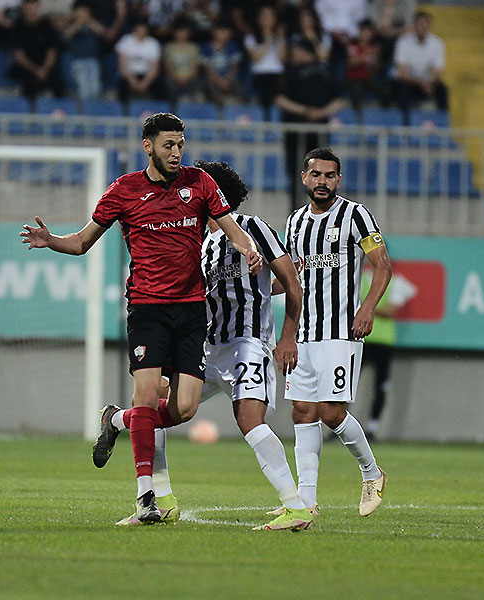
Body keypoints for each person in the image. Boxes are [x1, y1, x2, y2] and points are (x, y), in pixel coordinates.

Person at [20, 113, 263, 524]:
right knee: (147, 397)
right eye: (168, 145)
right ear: (148, 146)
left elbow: (231, 228)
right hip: (147, 309)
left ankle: (116, 420)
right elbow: (81, 242)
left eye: (180, 144)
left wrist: (248, 248)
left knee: (184, 409)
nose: (176, 152)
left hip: (192, 309)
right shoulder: (124, 190)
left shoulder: (200, 183)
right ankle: (145, 496)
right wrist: (51, 241)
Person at [92, 160, 314, 531]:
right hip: (209, 347)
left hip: (247, 342)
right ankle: (160, 496)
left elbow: (290, 282)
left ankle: (295, 507)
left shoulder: (252, 228)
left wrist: (287, 335)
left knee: (249, 420)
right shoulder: (199, 243)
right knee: (156, 402)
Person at [282, 147, 392, 517]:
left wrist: (367, 307)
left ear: (338, 179)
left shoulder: (355, 215)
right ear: (304, 177)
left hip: (340, 332)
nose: (322, 182)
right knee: (302, 412)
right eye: (316, 175)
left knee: (330, 413)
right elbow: (292, 278)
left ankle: (372, 473)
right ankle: (306, 501)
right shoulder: (295, 222)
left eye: (329, 176)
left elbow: (382, 266)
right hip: (305, 333)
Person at [275, 39, 345, 214]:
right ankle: (299, 212)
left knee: (319, 175)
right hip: (296, 132)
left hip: (315, 133)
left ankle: (320, 212)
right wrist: (309, 112)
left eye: (298, 51)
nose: (295, 55)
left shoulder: (324, 74)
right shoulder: (291, 73)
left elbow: (339, 100)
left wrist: (317, 113)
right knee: (298, 174)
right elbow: (280, 99)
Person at [360, 265, 416, 440]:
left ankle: (372, 427)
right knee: (347, 385)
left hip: (383, 342)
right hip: (360, 339)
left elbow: (391, 310)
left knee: (381, 386)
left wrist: (365, 307)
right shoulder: (359, 278)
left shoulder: (395, 282)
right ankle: (338, 424)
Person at [391, 11, 448, 116]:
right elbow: (402, 73)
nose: (423, 27)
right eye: (420, 24)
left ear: (429, 26)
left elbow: (438, 73)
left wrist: (431, 84)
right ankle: (404, 122)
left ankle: (441, 122)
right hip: (408, 82)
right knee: (402, 90)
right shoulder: (403, 42)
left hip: (426, 82)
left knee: (442, 89)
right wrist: (421, 84)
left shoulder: (437, 43)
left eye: (425, 24)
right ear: (414, 25)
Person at [8, 0, 66, 101]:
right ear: (24, 8)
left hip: (46, 66)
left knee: (58, 84)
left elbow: (52, 51)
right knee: (29, 84)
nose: (31, 10)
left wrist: (45, 69)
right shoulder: (18, 26)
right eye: (28, 7)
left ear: (38, 8)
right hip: (27, 67)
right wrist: (36, 70)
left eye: (34, 7)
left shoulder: (46, 25)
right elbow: (19, 55)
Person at [114, 17, 164, 104]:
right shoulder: (126, 40)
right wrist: (132, 81)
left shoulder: (153, 43)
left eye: (143, 29)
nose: (141, 31)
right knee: (121, 87)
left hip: (147, 76)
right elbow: (122, 65)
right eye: (139, 28)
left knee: (161, 88)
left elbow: (154, 68)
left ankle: (158, 110)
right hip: (129, 75)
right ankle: (123, 110)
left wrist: (145, 83)